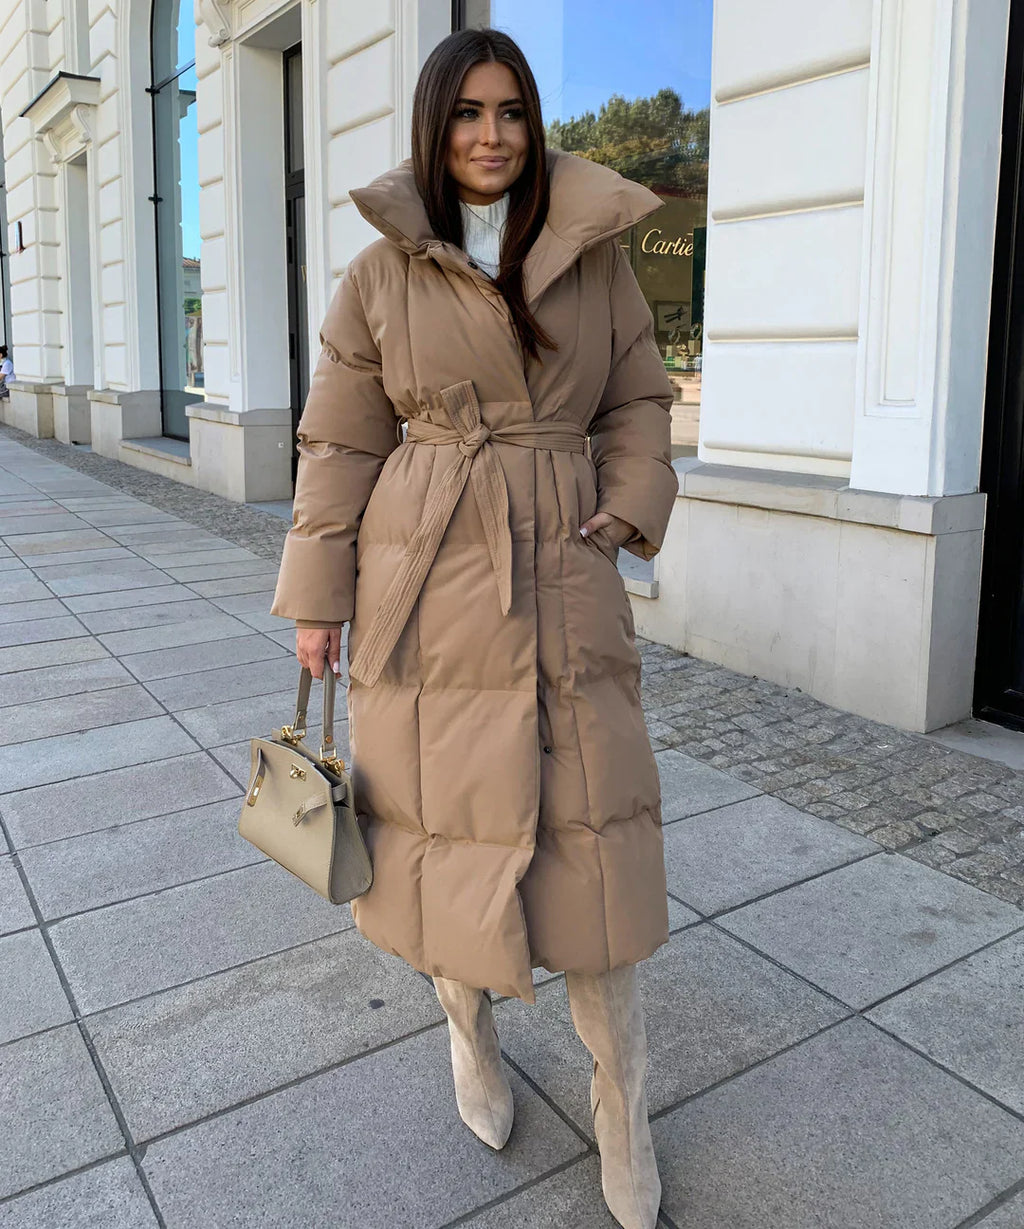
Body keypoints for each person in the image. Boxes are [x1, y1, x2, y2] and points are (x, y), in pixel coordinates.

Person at [271, 27, 678, 1229]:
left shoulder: (595, 256)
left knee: (597, 844)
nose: (490, 135)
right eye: (466, 113)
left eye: (509, 112)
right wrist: (315, 600)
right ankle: (470, 1039)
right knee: (444, 836)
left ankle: (623, 1107)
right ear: (433, 127)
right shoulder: (381, 272)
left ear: (532, 123)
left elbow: (641, 396)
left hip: (564, 565)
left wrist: (623, 505)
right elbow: (340, 439)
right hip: (429, 577)